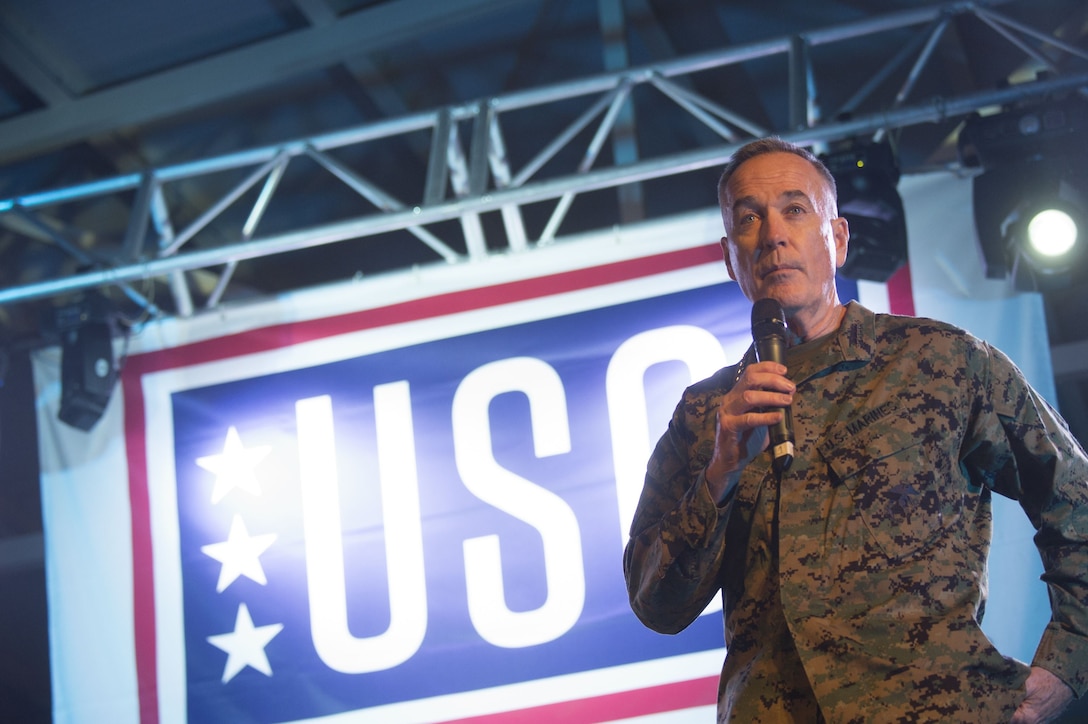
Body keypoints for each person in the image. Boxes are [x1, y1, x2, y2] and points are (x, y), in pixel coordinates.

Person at [623, 136, 1088, 723]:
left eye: (795, 210)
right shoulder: (705, 415)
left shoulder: (939, 362)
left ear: (837, 239)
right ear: (729, 257)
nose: (772, 235)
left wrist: (1066, 668)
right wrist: (721, 470)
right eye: (749, 218)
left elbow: (1078, 506)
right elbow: (656, 605)